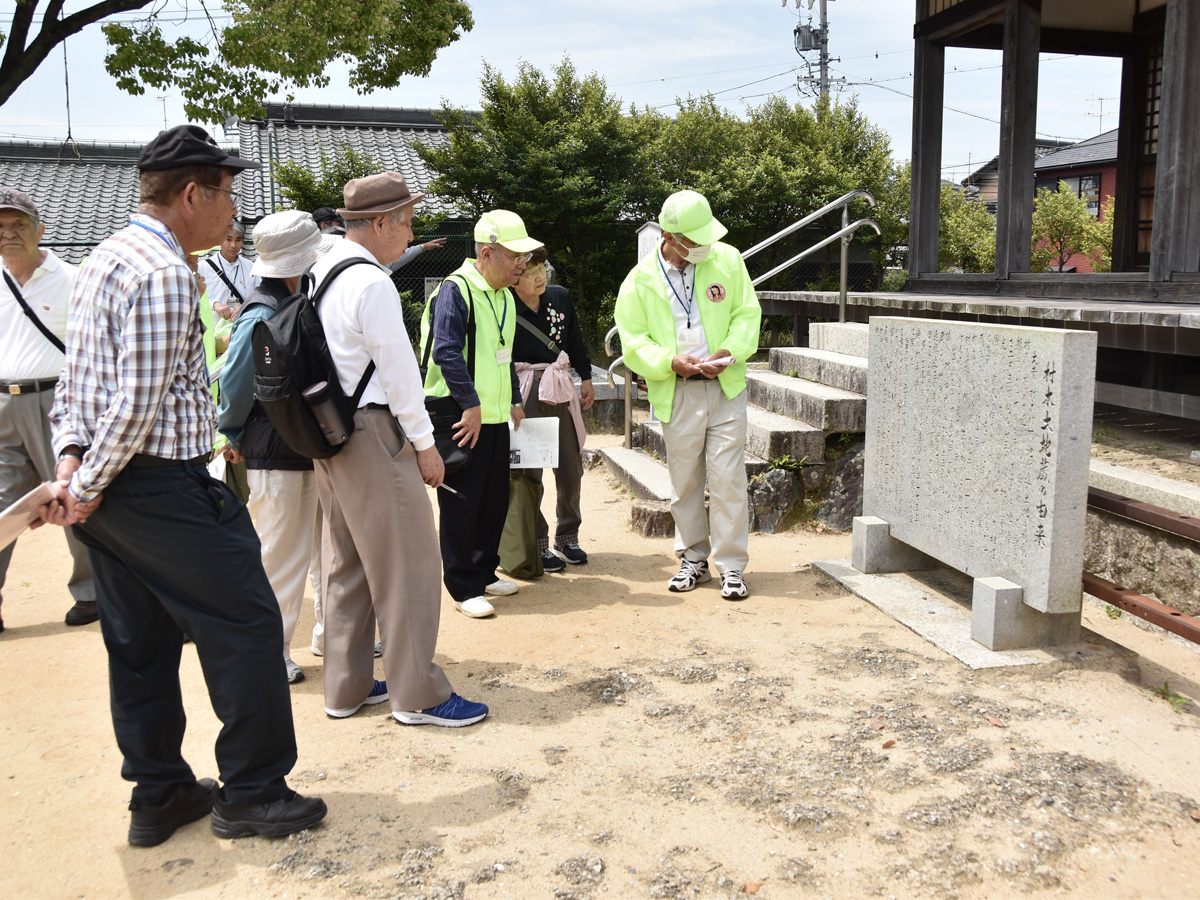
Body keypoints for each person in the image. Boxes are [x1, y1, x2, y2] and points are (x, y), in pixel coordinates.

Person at [42, 124, 326, 845]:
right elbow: (137, 402)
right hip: (158, 484)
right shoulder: (168, 272)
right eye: (228, 193)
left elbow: (77, 380)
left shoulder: (104, 256)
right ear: (193, 193)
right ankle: (255, 790)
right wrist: (93, 480)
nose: (235, 208)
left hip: (109, 492)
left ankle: (159, 791)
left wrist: (73, 463)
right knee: (248, 622)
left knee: (139, 639)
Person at [311, 171, 487, 726]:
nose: (411, 234)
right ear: (381, 222)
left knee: (348, 563)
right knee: (409, 563)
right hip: (374, 433)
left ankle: (347, 686)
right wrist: (425, 445)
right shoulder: (372, 283)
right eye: (407, 222)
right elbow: (400, 373)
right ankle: (419, 695)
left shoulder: (321, 269)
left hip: (329, 431)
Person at [614, 190, 761, 600]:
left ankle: (731, 566)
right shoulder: (639, 280)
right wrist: (668, 362)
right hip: (677, 390)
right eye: (694, 240)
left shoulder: (727, 259)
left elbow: (747, 313)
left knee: (729, 478)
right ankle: (693, 558)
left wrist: (731, 351)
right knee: (686, 481)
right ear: (669, 237)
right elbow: (633, 340)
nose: (702, 247)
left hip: (725, 386)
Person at [217, 210, 332, 685]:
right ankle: (272, 648)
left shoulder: (289, 299)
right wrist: (232, 432)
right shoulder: (262, 312)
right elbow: (236, 380)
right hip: (275, 450)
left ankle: (330, 632)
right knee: (281, 557)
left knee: (324, 550)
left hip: (305, 448)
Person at [420, 210, 539, 619]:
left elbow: (503, 353)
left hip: (492, 414)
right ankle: (462, 585)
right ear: (487, 253)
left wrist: (515, 397)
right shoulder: (456, 291)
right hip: (460, 412)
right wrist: (470, 404)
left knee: (493, 500)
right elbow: (446, 351)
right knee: (461, 503)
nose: (523, 264)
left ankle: (484, 572)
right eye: (515, 256)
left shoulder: (504, 294)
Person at [0, 187, 97, 630]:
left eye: (18, 224)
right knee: (2, 508)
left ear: (40, 229)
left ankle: (90, 593)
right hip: (3, 400)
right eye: (0, 227)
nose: (9, 234)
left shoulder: (70, 278)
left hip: (56, 399)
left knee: (70, 495)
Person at [510, 246, 595, 572]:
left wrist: (586, 376)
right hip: (526, 389)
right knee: (530, 471)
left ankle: (568, 536)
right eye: (532, 272)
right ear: (516, 277)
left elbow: (574, 340)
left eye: (543, 269)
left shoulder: (559, 297)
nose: (540, 276)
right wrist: (513, 399)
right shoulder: (506, 304)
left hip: (560, 386)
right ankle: (539, 541)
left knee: (570, 468)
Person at [204, 220, 259, 320]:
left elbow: (260, 297)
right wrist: (214, 304)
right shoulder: (203, 267)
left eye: (238, 240)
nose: (233, 245)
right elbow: (193, 299)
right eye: (228, 239)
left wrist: (245, 307)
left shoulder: (251, 267)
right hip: (213, 328)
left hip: (243, 324)